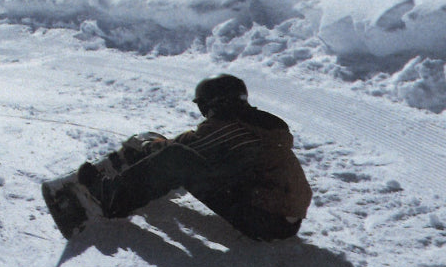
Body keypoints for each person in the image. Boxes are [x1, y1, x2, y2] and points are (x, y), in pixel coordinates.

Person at [75, 74, 313, 241]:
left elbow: (186, 150)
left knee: (178, 160)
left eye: (204, 106)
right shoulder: (255, 124)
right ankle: (132, 184)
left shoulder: (229, 128)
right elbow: (200, 143)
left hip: (265, 220)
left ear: (216, 104)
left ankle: (109, 197)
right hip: (285, 220)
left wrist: (147, 147)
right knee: (185, 157)